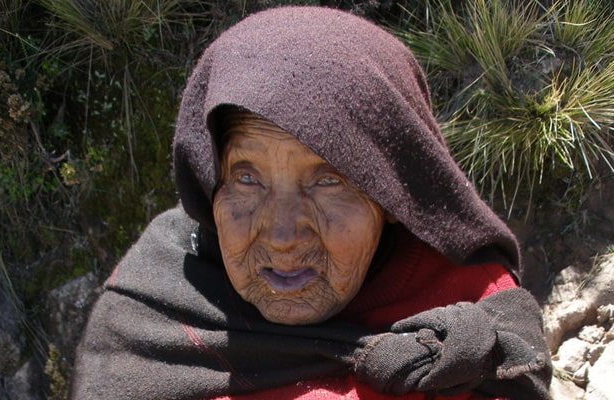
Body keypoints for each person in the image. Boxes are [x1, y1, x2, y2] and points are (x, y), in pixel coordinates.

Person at [70, 6, 552, 400]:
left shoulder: (476, 324)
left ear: (388, 189)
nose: (282, 236)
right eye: (247, 177)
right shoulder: (150, 321)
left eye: (328, 180)